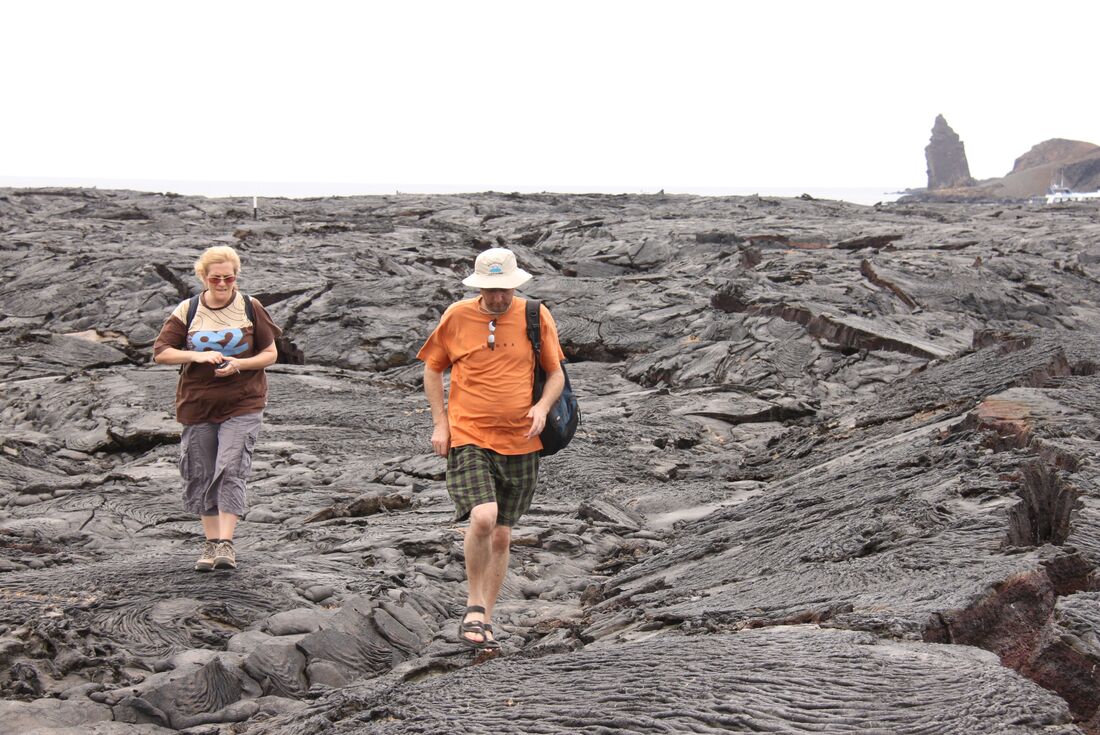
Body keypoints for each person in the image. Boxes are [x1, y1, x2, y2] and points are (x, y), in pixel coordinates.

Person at [417, 247, 565, 650]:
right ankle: (473, 604)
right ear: (478, 286)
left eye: (505, 290)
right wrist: (440, 423)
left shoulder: (536, 315)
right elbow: (432, 369)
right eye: (491, 289)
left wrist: (542, 406)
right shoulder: (457, 315)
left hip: (522, 440)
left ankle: (487, 616)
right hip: (468, 434)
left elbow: (555, 374)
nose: (498, 297)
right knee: (483, 517)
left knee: (501, 535)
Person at [153, 245, 281, 572]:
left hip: (244, 402)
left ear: (236, 276)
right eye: (216, 279)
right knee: (200, 471)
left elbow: (270, 354)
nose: (223, 284)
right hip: (197, 405)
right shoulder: (188, 309)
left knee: (231, 465)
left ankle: (226, 543)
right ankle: (210, 544)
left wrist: (241, 364)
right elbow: (162, 352)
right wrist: (195, 356)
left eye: (229, 278)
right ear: (203, 277)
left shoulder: (250, 307)